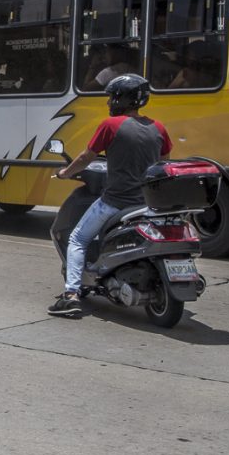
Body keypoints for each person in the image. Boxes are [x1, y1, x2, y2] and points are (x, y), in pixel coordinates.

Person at [48, 74, 172, 317]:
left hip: (116, 202)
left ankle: (71, 295)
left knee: (77, 239)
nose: (108, 102)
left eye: (111, 97)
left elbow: (86, 157)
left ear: (120, 99)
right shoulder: (158, 128)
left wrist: (64, 173)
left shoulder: (111, 125)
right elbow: (163, 163)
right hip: (147, 203)